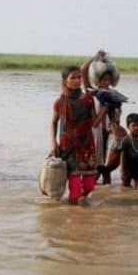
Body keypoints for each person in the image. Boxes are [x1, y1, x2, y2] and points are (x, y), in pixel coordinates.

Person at [50, 65, 107, 204]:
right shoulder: (60, 102)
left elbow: (94, 123)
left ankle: (79, 208)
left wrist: (105, 109)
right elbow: (53, 123)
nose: (77, 80)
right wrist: (53, 142)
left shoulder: (88, 99)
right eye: (73, 78)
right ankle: (74, 218)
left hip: (87, 145)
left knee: (89, 186)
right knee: (75, 190)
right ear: (65, 81)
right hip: (68, 147)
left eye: (79, 77)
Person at [120, 113, 138, 188]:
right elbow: (123, 156)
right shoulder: (126, 140)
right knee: (125, 188)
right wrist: (122, 171)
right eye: (134, 125)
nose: (136, 128)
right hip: (128, 168)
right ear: (128, 127)